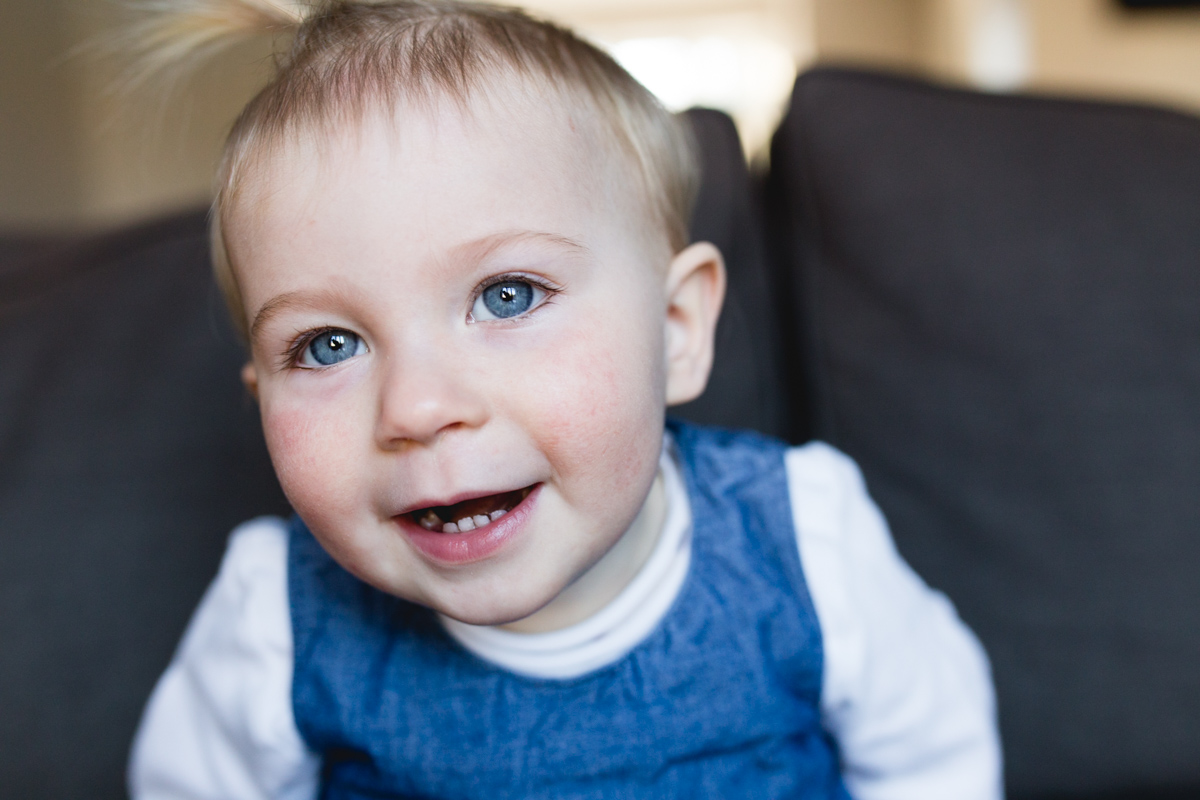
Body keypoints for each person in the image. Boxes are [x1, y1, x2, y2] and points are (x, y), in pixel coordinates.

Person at [127, 1, 1002, 797]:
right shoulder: (276, 620)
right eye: (328, 346)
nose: (419, 408)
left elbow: (934, 765)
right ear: (260, 395)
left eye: (506, 295)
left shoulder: (805, 540)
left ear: (675, 328)